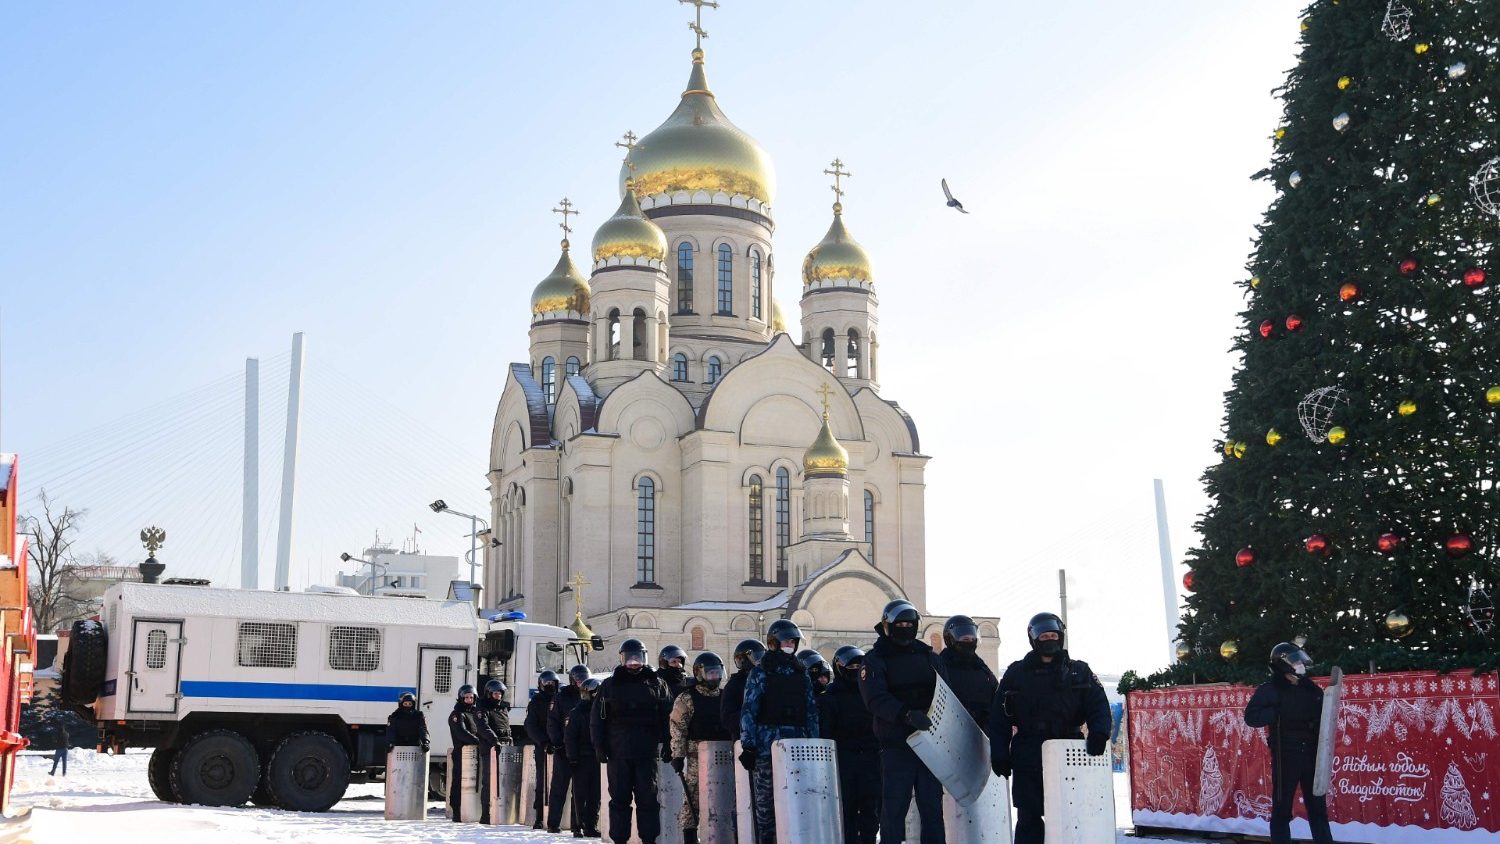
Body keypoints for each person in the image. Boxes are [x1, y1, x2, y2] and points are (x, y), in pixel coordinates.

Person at [987, 612, 1110, 844]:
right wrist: (1000, 753)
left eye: (1053, 635)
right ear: (1034, 640)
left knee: (1070, 815)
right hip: (1028, 753)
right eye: (1044, 636)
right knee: (1029, 818)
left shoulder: (1079, 671)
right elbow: (998, 717)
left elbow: (1098, 705)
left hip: (1069, 752)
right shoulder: (1016, 673)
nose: (1050, 639)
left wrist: (1099, 732)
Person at [860, 599, 948, 844]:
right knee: (893, 808)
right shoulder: (875, 659)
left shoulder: (928, 657)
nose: (905, 628)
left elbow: (946, 691)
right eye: (900, 624)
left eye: (909, 624)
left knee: (932, 808)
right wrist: (905, 714)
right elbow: (875, 699)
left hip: (929, 743)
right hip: (896, 744)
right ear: (888, 626)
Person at [1244, 642, 1334, 844]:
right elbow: (1251, 717)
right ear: (1283, 664)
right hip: (1286, 755)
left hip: (1311, 754)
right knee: (1282, 810)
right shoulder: (1271, 690)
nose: (1300, 664)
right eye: (1296, 661)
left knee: (1318, 809)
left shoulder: (1312, 690)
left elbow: (1325, 718)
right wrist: (1276, 712)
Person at [740, 619, 819, 844]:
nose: (790, 645)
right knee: (766, 809)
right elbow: (749, 710)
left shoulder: (800, 673)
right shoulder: (761, 672)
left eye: (793, 641)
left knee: (797, 804)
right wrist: (749, 745)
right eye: (785, 640)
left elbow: (811, 713)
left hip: (798, 749)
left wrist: (813, 745)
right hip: (767, 750)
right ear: (774, 642)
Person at [591, 638, 673, 844]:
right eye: (630, 659)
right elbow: (597, 718)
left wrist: (669, 743)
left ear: (644, 659)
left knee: (648, 799)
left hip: (647, 753)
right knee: (619, 800)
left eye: (638, 658)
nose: (634, 662)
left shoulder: (657, 683)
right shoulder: (610, 685)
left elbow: (668, 716)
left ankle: (649, 839)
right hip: (618, 752)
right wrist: (599, 745)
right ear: (622, 660)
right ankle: (619, 840)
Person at [821, 645, 880, 844]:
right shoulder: (830, 697)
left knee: (870, 810)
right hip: (843, 761)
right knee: (846, 811)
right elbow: (826, 733)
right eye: (851, 666)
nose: (855, 670)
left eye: (858, 665)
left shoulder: (870, 694)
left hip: (870, 760)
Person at [670, 652, 729, 844]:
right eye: (710, 673)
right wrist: (677, 755)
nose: (714, 677)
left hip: (724, 753)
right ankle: (689, 836)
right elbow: (678, 727)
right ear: (699, 674)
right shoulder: (688, 698)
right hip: (698, 755)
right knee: (693, 796)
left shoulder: (724, 696)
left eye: (717, 673)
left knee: (724, 794)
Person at [546, 665, 589, 834]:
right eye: (578, 679)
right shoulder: (561, 697)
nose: (581, 682)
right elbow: (553, 722)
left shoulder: (589, 695)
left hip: (582, 750)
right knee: (559, 787)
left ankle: (577, 825)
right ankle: (553, 824)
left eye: (583, 679)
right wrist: (557, 742)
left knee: (580, 791)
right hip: (564, 749)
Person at [448, 683, 499, 822]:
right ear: (461, 698)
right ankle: (457, 811)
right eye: (466, 698)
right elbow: (461, 732)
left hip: (477, 752)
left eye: (471, 697)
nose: (469, 700)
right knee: (459, 782)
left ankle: (474, 810)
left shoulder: (476, 713)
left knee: (477, 782)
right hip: (462, 753)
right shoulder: (457, 714)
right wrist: (478, 740)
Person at [939, 614, 998, 727]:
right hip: (952, 730)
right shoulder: (941, 666)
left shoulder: (981, 668)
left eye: (973, 639)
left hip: (983, 732)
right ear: (950, 640)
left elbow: (997, 696)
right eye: (965, 639)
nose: (970, 643)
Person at [565, 678, 603, 838]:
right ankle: (577, 826)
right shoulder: (577, 713)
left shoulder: (602, 712)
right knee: (580, 794)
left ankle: (591, 825)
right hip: (581, 758)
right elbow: (570, 738)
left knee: (595, 795)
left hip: (597, 758)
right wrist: (572, 758)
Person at [525, 670, 560, 829]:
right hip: (543, 747)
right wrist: (544, 742)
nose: (550, 686)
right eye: (547, 683)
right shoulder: (536, 702)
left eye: (552, 683)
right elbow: (530, 726)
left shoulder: (560, 699)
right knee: (542, 782)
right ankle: (539, 817)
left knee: (560, 784)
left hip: (560, 745)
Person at [721, 638, 766, 746]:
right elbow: (727, 719)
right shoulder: (734, 685)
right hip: (744, 742)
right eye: (756, 657)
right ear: (744, 660)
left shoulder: (767, 680)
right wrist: (751, 715)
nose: (759, 662)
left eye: (762, 657)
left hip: (767, 739)